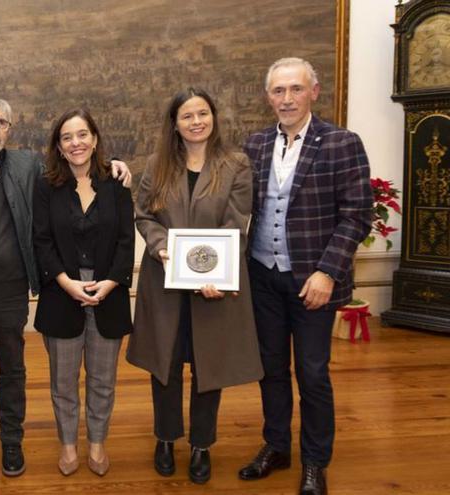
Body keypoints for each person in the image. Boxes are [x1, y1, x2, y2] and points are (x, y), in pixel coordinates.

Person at [0, 95, 130, 486]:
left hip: (11, 291)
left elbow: (78, 162)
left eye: (2, 123)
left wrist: (116, 164)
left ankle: (11, 443)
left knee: (13, 372)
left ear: (10, 130)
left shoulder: (27, 167)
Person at [237, 58, 371, 495]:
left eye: (296, 89)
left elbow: (356, 216)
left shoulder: (341, 143)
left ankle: (315, 461)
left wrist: (328, 273)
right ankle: (276, 446)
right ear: (268, 97)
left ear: (314, 91)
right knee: (271, 369)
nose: (287, 98)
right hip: (263, 277)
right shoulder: (254, 145)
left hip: (313, 282)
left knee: (312, 373)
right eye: (279, 91)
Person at [126, 88, 263, 484]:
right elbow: (144, 215)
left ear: (213, 118)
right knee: (164, 365)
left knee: (208, 366)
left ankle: (202, 445)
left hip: (212, 288)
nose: (197, 121)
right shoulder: (158, 164)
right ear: (175, 123)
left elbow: (236, 224)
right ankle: (165, 438)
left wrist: (210, 274)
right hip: (165, 281)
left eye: (203, 113)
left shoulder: (235, 165)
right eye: (187, 116)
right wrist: (160, 246)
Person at [32, 108, 133, 477]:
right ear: (58, 147)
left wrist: (109, 283)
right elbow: (41, 241)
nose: (76, 143)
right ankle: (69, 444)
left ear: (95, 138)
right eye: (67, 137)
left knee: (103, 380)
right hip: (62, 293)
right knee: (63, 382)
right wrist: (66, 282)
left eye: (82, 135)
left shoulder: (116, 183)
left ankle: (97, 442)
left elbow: (126, 240)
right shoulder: (46, 186)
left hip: (109, 292)